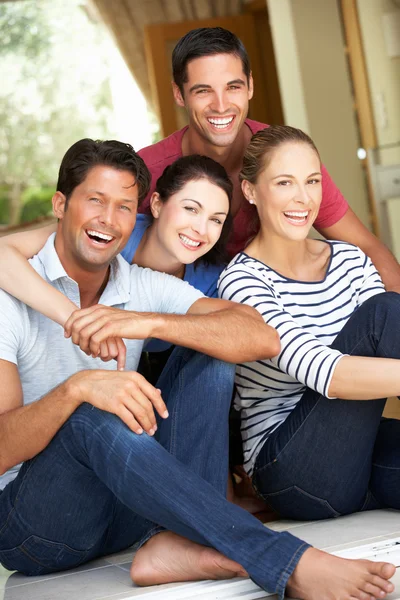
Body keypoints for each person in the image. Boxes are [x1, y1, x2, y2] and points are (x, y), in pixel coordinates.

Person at [0, 138, 395, 600]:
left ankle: (184, 540)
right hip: (37, 526)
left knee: (209, 343)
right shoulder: (11, 297)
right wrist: (77, 389)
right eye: (96, 201)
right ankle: (280, 559)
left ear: (140, 214)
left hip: (128, 508)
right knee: (89, 413)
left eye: (124, 207)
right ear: (61, 205)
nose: (109, 220)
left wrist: (142, 320)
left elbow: (257, 336)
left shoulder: (142, 286)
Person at [219, 124, 400, 525]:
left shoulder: (350, 260)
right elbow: (325, 373)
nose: (303, 198)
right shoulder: (242, 281)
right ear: (250, 191)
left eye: (312, 181)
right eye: (284, 182)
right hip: (294, 472)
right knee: (385, 311)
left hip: (357, 449)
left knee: (386, 311)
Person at [137, 26, 400, 290]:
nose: (221, 105)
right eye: (203, 91)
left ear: (250, 85)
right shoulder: (147, 171)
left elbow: (365, 247)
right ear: (178, 94)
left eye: (233, 87)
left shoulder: (286, 156)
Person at [0, 154, 232, 349]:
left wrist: (148, 323)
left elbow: (251, 334)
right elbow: (4, 252)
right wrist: (78, 320)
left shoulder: (213, 278)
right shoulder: (112, 230)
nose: (201, 229)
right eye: (191, 209)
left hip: (165, 369)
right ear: (157, 204)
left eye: (216, 220)